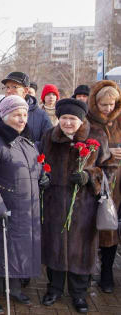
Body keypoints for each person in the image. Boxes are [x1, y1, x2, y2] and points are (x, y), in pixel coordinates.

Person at [39, 98, 117, 313]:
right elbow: (41, 160)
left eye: (72, 119)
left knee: (80, 250)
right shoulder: (49, 136)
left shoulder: (97, 137)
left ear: (81, 120)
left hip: (84, 206)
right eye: (63, 118)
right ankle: (53, 289)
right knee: (54, 246)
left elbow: (109, 168)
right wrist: (42, 177)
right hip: (54, 203)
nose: (67, 123)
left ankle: (79, 294)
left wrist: (90, 175)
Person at [0, 95, 44, 314]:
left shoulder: (26, 140)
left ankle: (14, 288)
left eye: (24, 115)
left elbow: (30, 166)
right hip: (3, 208)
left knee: (19, 251)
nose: (22, 119)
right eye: (16, 115)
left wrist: (43, 175)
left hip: (26, 208)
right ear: (4, 116)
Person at [86, 80, 121, 294]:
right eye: (103, 105)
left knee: (112, 228)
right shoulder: (88, 121)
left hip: (120, 183)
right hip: (98, 183)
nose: (108, 109)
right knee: (95, 227)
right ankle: (89, 269)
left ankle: (107, 272)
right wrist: (107, 155)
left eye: (112, 104)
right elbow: (84, 152)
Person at [0, 72, 53, 144]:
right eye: (7, 87)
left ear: (25, 91)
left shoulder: (41, 116)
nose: (8, 91)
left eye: (14, 87)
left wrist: (29, 148)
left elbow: (48, 144)